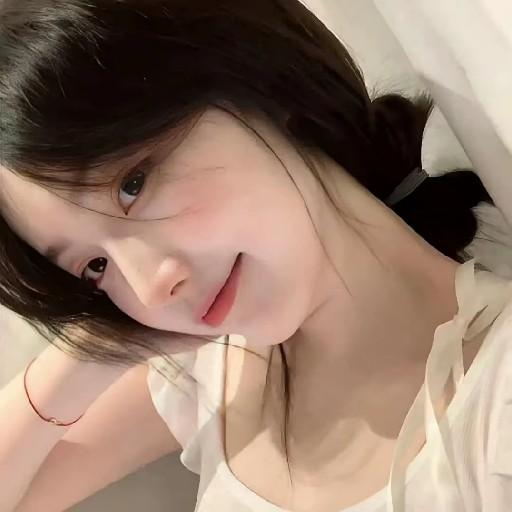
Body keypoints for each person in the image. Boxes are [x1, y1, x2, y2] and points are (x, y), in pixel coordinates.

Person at [0, 1, 511, 511]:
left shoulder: (493, 397)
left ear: (252, 83)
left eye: (132, 186)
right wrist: (83, 357)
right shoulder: (216, 370)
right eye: (95, 266)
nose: (150, 288)